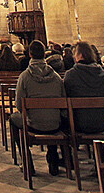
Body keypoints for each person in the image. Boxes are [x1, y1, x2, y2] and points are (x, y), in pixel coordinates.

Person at [9, 40, 66, 176]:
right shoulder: (57, 77)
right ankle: (53, 158)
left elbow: (19, 106)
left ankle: (27, 162)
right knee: (54, 117)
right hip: (55, 124)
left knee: (12, 119)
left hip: (33, 124)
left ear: (29, 54)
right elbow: (63, 103)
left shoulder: (25, 76)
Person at [64, 41, 104, 133]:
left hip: (77, 124)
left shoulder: (71, 75)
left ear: (80, 55)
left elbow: (63, 97)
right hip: (101, 123)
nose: (73, 56)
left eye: (75, 54)